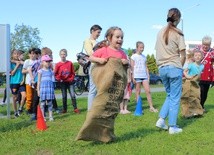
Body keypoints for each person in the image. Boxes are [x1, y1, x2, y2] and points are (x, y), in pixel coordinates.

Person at [76, 26, 129, 143]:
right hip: (103, 85)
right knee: (99, 109)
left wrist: (126, 62)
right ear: (109, 38)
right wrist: (100, 60)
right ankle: (88, 131)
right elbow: (91, 57)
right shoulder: (104, 50)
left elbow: (126, 65)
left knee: (110, 111)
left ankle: (107, 135)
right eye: (117, 37)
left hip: (114, 88)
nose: (120, 39)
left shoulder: (122, 53)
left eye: (122, 37)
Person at [155, 8, 186, 134]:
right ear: (178, 19)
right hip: (174, 67)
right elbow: (183, 55)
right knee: (175, 98)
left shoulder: (159, 32)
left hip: (162, 68)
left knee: (170, 95)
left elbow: (157, 51)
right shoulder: (178, 33)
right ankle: (172, 126)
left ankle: (161, 120)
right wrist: (180, 67)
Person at [131, 41, 158, 113]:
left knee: (148, 91)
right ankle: (138, 108)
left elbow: (146, 67)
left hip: (144, 76)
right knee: (138, 92)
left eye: (143, 47)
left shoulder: (144, 57)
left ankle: (151, 107)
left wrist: (148, 76)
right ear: (137, 48)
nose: (142, 49)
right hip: (137, 76)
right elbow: (132, 67)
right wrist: (133, 77)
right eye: (140, 47)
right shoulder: (133, 56)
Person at [54, 49, 80, 114]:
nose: (63, 56)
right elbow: (55, 74)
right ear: (60, 55)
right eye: (62, 54)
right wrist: (59, 79)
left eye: (64, 54)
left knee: (73, 95)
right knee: (64, 96)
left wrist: (71, 78)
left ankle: (75, 108)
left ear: (66, 55)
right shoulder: (58, 64)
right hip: (62, 82)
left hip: (70, 82)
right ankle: (64, 109)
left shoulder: (70, 63)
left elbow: (73, 73)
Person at [83, 24, 102, 111]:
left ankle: (96, 108)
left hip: (100, 66)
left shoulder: (98, 42)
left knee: (99, 89)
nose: (99, 34)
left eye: (100, 33)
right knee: (93, 89)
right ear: (92, 31)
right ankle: (90, 110)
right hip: (94, 66)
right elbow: (91, 54)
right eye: (98, 32)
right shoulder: (87, 41)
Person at [181, 49, 204, 118]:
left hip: (196, 83)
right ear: (193, 57)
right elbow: (185, 71)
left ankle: (196, 112)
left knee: (196, 97)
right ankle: (186, 113)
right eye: (196, 55)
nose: (197, 57)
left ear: (202, 57)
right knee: (187, 97)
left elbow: (201, 75)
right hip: (189, 82)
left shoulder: (202, 66)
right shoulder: (191, 65)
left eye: (199, 55)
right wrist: (187, 76)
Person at [195, 36, 214, 111]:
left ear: (210, 44)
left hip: (208, 76)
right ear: (202, 43)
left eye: (207, 45)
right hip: (198, 75)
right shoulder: (197, 49)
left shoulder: (212, 52)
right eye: (204, 44)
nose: (205, 46)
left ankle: (201, 106)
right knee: (198, 92)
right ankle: (197, 107)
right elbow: (191, 59)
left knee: (205, 93)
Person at [37, 55, 54, 121]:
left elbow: (52, 80)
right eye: (46, 61)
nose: (48, 63)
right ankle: (43, 117)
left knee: (50, 103)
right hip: (43, 89)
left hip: (49, 89)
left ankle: (50, 116)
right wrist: (38, 90)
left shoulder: (51, 71)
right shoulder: (40, 71)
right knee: (42, 103)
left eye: (49, 61)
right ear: (42, 62)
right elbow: (38, 81)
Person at [22, 48, 37, 114]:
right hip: (28, 81)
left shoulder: (38, 61)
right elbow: (23, 71)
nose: (33, 55)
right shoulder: (27, 61)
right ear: (29, 54)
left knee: (35, 96)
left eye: (34, 54)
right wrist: (28, 70)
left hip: (36, 81)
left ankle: (34, 109)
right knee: (29, 96)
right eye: (31, 54)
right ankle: (28, 109)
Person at [10, 50, 24, 117]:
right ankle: (15, 112)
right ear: (12, 55)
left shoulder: (22, 62)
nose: (16, 55)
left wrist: (19, 62)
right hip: (14, 82)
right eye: (15, 54)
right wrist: (17, 65)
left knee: (24, 96)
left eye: (18, 54)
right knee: (14, 98)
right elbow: (12, 73)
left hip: (21, 82)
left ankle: (20, 109)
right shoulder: (10, 63)